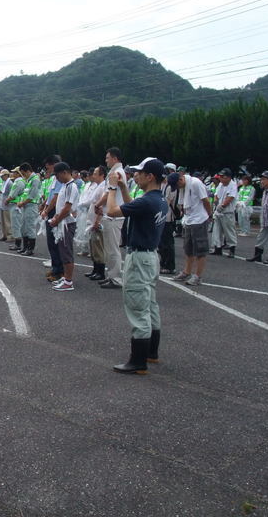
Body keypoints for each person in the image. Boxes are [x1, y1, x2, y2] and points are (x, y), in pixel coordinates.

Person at [106, 158, 168, 375]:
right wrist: (123, 188)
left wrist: (112, 187)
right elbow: (134, 208)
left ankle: (138, 361)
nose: (136, 176)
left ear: (150, 176)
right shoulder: (158, 200)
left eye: (140, 173)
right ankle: (151, 352)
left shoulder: (147, 201)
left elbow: (113, 211)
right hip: (151, 257)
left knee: (136, 305)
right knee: (150, 304)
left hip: (139, 258)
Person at [169, 170, 212, 285]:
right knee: (188, 248)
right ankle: (186, 272)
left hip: (199, 219)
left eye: (177, 185)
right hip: (189, 219)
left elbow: (206, 200)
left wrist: (209, 215)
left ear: (181, 179)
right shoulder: (184, 186)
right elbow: (183, 203)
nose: (177, 187)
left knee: (200, 249)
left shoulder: (195, 183)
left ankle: (198, 276)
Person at [94, 148, 126, 289]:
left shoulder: (116, 173)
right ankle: (111, 276)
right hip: (110, 214)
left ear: (114, 158)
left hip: (114, 217)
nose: (106, 160)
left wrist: (98, 204)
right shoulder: (115, 172)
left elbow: (108, 193)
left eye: (107, 158)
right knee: (109, 249)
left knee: (113, 249)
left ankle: (116, 278)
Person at [47, 162, 80, 290]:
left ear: (65, 172)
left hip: (67, 223)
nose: (56, 178)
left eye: (57, 175)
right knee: (62, 250)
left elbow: (67, 208)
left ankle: (68, 281)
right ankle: (66, 277)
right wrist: (56, 217)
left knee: (66, 252)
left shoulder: (71, 186)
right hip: (62, 222)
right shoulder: (65, 186)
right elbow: (61, 206)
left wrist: (57, 219)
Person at [85, 166, 107, 280]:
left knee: (98, 247)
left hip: (97, 221)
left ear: (102, 175)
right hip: (91, 220)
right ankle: (95, 269)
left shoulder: (104, 187)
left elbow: (101, 206)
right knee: (93, 247)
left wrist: (97, 221)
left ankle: (100, 272)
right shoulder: (98, 186)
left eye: (95, 173)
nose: (93, 175)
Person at [210, 168, 237, 257]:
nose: (221, 178)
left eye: (223, 176)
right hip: (218, 211)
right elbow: (216, 195)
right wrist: (216, 202)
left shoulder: (232, 185)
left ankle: (232, 248)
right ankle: (218, 248)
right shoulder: (221, 185)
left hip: (227, 212)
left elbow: (230, 197)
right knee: (216, 231)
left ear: (228, 177)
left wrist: (222, 206)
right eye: (220, 177)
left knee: (229, 231)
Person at [19, 162, 42, 256]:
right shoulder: (29, 180)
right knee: (23, 227)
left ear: (28, 171)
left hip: (31, 206)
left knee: (30, 227)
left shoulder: (35, 180)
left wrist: (22, 203)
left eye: (23, 174)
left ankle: (30, 249)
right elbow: (26, 194)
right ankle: (25, 247)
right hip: (26, 206)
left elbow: (32, 195)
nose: (23, 176)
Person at [158, 167, 177, 274]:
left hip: (168, 218)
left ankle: (170, 265)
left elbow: (167, 202)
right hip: (162, 217)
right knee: (161, 244)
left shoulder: (171, 187)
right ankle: (163, 263)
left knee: (167, 243)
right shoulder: (163, 185)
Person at [6, 168, 26, 251]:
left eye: (14, 172)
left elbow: (13, 194)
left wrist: (7, 200)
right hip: (17, 204)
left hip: (16, 205)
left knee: (16, 224)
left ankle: (18, 244)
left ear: (18, 173)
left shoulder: (18, 182)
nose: (12, 173)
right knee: (17, 224)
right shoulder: (21, 181)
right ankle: (18, 243)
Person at [0, 169, 12, 241]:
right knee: (3, 222)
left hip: (7, 204)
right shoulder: (5, 182)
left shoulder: (9, 183)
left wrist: (8, 201)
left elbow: (11, 194)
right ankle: (4, 235)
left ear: (6, 175)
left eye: (2, 176)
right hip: (3, 204)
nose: (1, 177)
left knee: (7, 221)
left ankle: (10, 236)